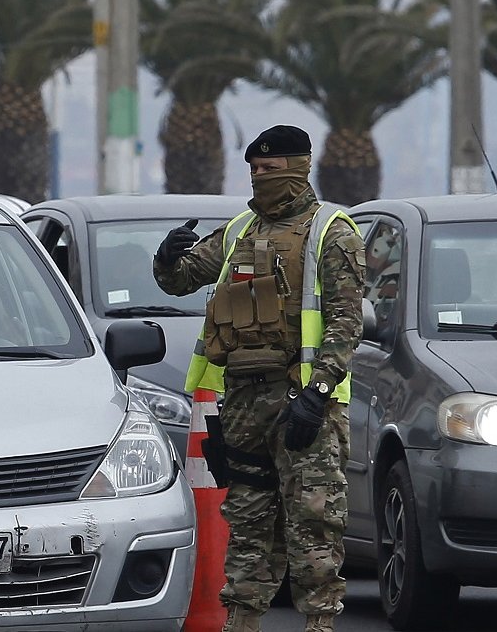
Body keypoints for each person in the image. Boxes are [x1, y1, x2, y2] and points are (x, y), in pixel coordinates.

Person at [152, 125, 365, 632]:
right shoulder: (238, 230)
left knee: (314, 523)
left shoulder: (331, 230)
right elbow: (180, 279)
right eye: (254, 170)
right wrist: (167, 254)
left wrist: (318, 393)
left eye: (271, 169)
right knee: (248, 525)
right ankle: (241, 623)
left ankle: (319, 625)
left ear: (299, 167)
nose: (261, 177)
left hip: (304, 405)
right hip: (245, 405)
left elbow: (345, 322)